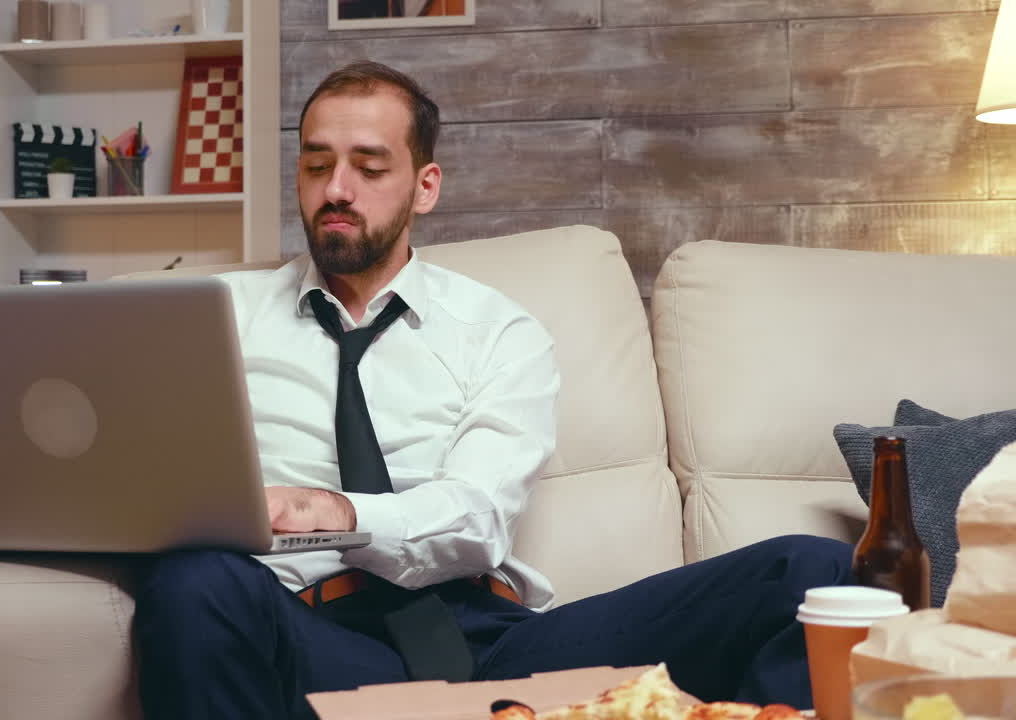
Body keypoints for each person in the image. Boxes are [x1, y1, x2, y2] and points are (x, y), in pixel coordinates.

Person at [133, 61, 854, 720]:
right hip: (311, 633)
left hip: (498, 642)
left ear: (426, 186)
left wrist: (336, 509)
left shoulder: (498, 330)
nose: (337, 190)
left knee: (810, 571)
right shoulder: (214, 316)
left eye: (368, 166)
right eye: (316, 164)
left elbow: (478, 520)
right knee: (192, 582)